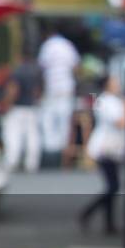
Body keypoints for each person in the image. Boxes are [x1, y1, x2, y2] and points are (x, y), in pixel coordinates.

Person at [79, 76, 125, 235]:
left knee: (112, 187)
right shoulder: (106, 102)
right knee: (113, 187)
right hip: (105, 148)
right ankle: (88, 213)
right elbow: (120, 122)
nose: (118, 84)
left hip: (113, 148)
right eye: (115, 82)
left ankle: (109, 224)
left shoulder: (113, 100)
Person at [37, 25, 80, 166]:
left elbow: (41, 69)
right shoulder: (68, 46)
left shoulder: (47, 46)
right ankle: (63, 158)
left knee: (48, 123)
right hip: (66, 88)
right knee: (64, 124)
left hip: (51, 89)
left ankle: (51, 157)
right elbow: (76, 67)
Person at [0, 48, 43, 173]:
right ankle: (32, 162)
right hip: (32, 107)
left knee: (13, 135)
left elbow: (13, 90)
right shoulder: (36, 72)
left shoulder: (17, 72)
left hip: (18, 108)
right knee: (33, 136)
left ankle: (12, 160)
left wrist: (6, 104)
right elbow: (38, 91)